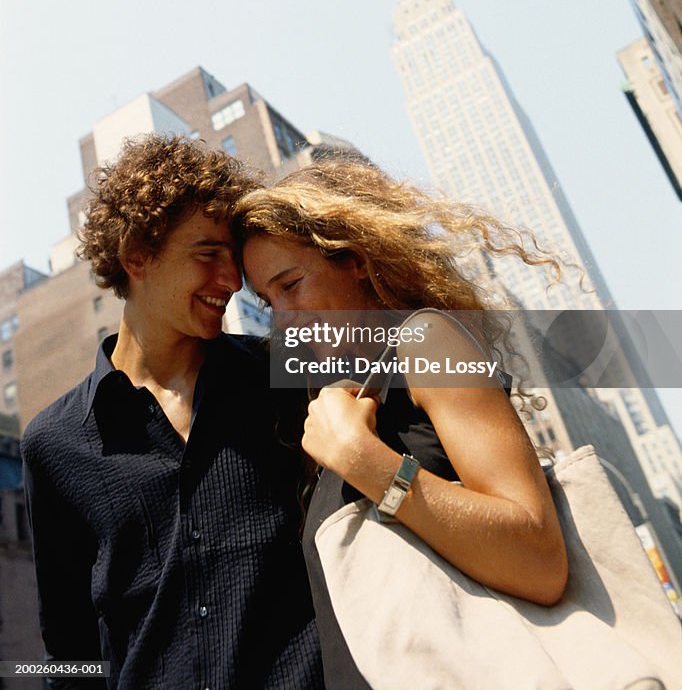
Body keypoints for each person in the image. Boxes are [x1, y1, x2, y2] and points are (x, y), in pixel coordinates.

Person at [233, 158, 569, 690]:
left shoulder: (426, 343)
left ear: (354, 261)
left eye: (291, 285)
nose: (283, 318)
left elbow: (539, 559)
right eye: (268, 301)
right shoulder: (330, 398)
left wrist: (360, 458)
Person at [21, 134, 323, 690]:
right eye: (208, 254)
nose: (232, 281)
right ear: (136, 255)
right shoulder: (52, 444)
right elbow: (68, 651)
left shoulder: (282, 378)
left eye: (233, 259)